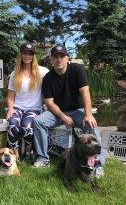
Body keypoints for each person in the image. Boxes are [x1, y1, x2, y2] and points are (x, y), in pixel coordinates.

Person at [32, 45, 104, 176]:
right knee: (38, 122)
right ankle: (43, 158)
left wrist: (88, 115)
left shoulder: (77, 69)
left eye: (62, 56)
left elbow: (85, 93)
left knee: (91, 124)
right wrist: (63, 117)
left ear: (67, 58)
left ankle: (98, 164)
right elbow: (49, 102)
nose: (59, 59)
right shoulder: (48, 78)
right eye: (55, 57)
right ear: (51, 59)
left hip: (77, 111)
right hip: (57, 112)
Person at [7, 43, 49, 160]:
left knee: (27, 127)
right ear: (21, 55)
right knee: (13, 124)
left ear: (33, 56)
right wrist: (10, 109)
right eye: (24, 53)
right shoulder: (14, 73)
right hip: (17, 107)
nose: (27, 56)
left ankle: (29, 150)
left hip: (34, 109)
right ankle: (15, 154)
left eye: (30, 53)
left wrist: (69, 65)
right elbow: (10, 96)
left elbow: (57, 75)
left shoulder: (42, 71)